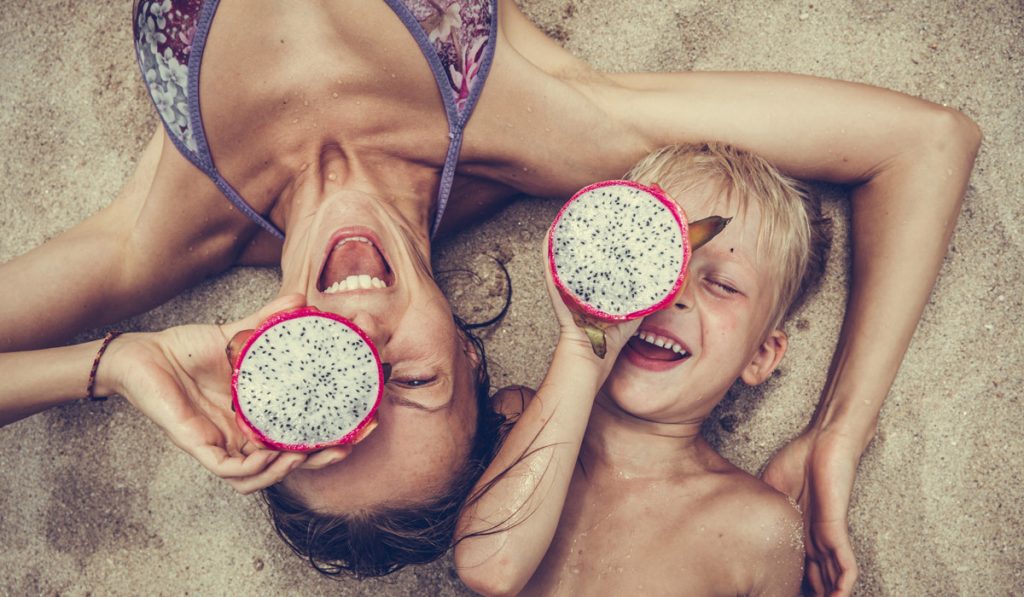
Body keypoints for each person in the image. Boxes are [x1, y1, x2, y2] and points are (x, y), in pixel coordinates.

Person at [0, 0, 980, 587]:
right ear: (469, 355)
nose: (360, 332)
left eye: (327, 394)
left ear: (262, 380)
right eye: (411, 382)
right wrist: (839, 430)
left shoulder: (157, 239)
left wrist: (111, 363)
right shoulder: (554, 133)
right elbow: (927, 144)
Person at [454, 143, 830, 596]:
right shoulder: (516, 416)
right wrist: (582, 348)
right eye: (651, 257)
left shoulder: (759, 526)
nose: (671, 291)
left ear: (760, 357)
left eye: (722, 284)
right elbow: (490, 566)